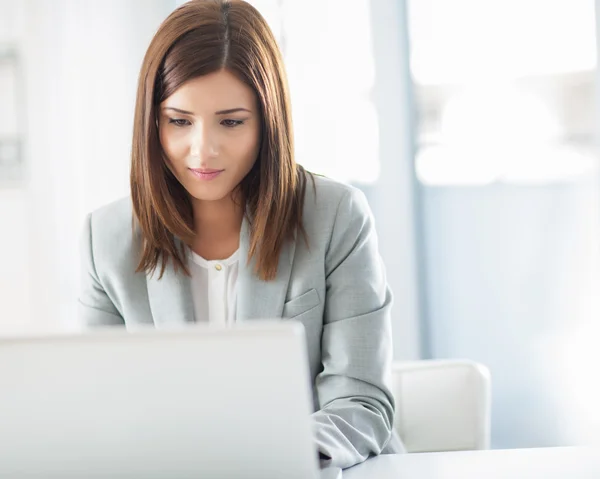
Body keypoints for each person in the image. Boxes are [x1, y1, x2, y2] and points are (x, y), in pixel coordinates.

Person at [78, 0, 404, 469]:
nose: (203, 149)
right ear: (152, 121)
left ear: (268, 123)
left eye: (231, 122)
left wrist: (264, 459)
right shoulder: (105, 239)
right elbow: (101, 410)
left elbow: (362, 402)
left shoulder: (336, 215)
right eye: (179, 121)